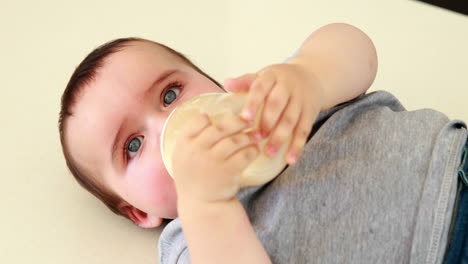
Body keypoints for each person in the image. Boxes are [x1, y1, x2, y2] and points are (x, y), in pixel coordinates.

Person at [58, 23, 467, 263]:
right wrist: (207, 206)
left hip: (455, 166)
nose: (169, 124)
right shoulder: (191, 242)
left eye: (170, 94)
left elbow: (352, 47)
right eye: (132, 145)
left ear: (214, 85)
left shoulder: (271, 101)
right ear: (139, 212)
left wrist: (311, 76)